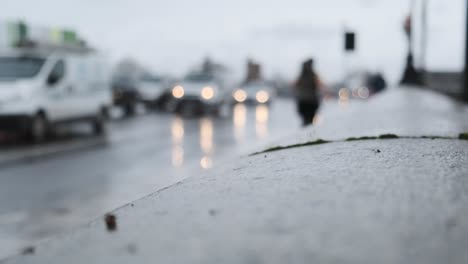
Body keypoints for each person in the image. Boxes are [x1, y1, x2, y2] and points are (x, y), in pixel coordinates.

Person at [294, 59, 323, 126]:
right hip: (310, 101)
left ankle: (305, 131)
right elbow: (318, 85)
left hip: (303, 101)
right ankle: (307, 132)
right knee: (309, 120)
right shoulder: (313, 75)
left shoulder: (302, 75)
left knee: (306, 120)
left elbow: (295, 85)